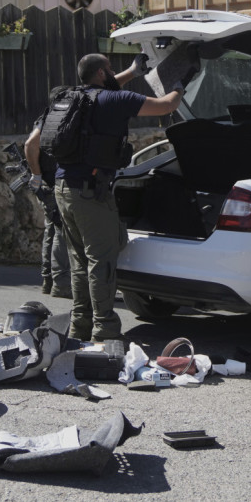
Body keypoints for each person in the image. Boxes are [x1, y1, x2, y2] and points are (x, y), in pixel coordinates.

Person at [54, 52, 186, 342]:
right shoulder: (117, 100)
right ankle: (106, 331)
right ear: (102, 73)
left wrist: (131, 71)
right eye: (110, 69)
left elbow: (103, 87)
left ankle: (80, 328)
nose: (114, 74)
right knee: (101, 260)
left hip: (63, 188)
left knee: (80, 261)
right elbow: (167, 105)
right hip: (90, 193)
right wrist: (179, 82)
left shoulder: (71, 97)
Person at [24, 86, 72, 299]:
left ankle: (49, 280)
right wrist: (36, 174)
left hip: (49, 182)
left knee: (52, 231)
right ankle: (61, 283)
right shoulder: (52, 118)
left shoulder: (46, 117)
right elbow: (30, 144)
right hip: (53, 183)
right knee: (61, 231)